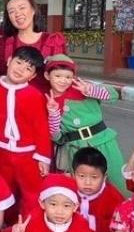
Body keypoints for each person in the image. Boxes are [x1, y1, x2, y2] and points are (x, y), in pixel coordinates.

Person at [0, 46, 51, 218]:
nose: (21, 70)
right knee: (2, 191)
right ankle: (4, 230)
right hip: (0, 151)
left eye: (28, 69)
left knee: (32, 194)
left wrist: (43, 157)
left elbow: (41, 127)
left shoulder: (35, 95)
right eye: (19, 63)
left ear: (33, 76)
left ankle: (29, 230)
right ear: (9, 60)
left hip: (28, 154)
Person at [45, 54, 126, 191]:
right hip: (76, 149)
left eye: (68, 77)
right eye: (58, 76)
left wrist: (90, 90)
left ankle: (127, 211)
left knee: (119, 182)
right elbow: (56, 136)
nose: (63, 81)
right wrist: (53, 113)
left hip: (104, 142)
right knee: (85, 189)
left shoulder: (82, 87)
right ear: (47, 76)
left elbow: (113, 95)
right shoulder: (49, 100)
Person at [0, 0, 65, 91]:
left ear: (33, 10)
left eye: (22, 8)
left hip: (45, 103)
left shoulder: (53, 41)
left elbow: (64, 75)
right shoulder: (4, 43)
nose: (17, 13)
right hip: (11, 101)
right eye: (11, 11)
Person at [70, 147, 124, 232]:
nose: (87, 182)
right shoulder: (68, 192)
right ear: (73, 174)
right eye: (81, 176)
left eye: (94, 177)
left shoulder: (113, 197)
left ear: (104, 177)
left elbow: (119, 228)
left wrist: (91, 222)